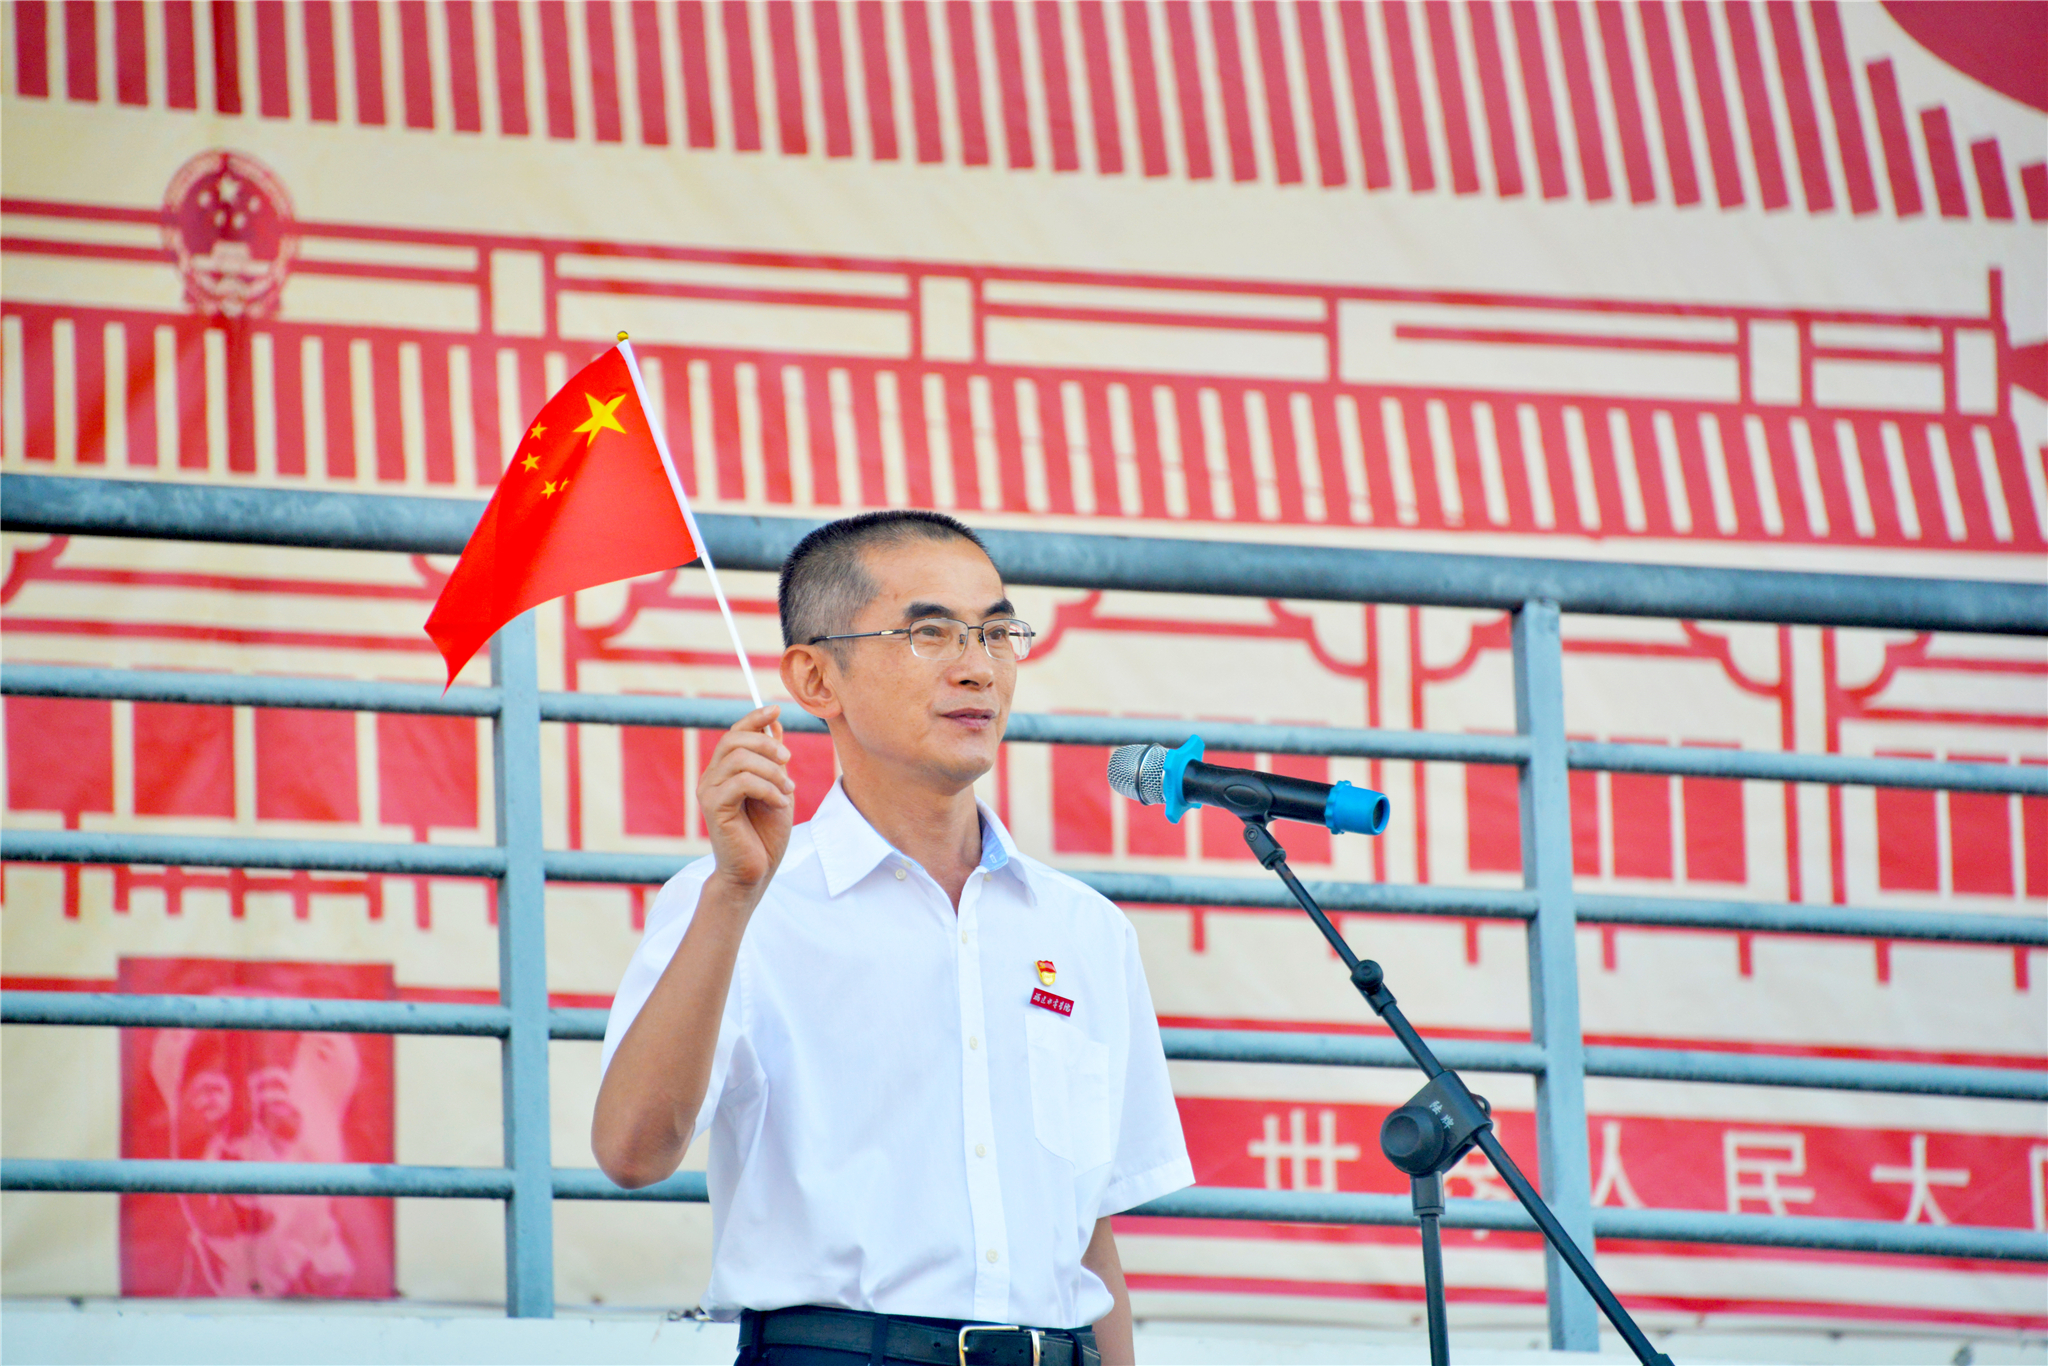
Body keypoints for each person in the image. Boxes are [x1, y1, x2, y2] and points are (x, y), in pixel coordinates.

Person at [593, 510, 1191, 1366]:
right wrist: (733, 896)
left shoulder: (1083, 928)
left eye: (997, 632)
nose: (977, 667)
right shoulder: (738, 898)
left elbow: (1086, 1242)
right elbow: (631, 1153)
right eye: (930, 633)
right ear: (815, 678)